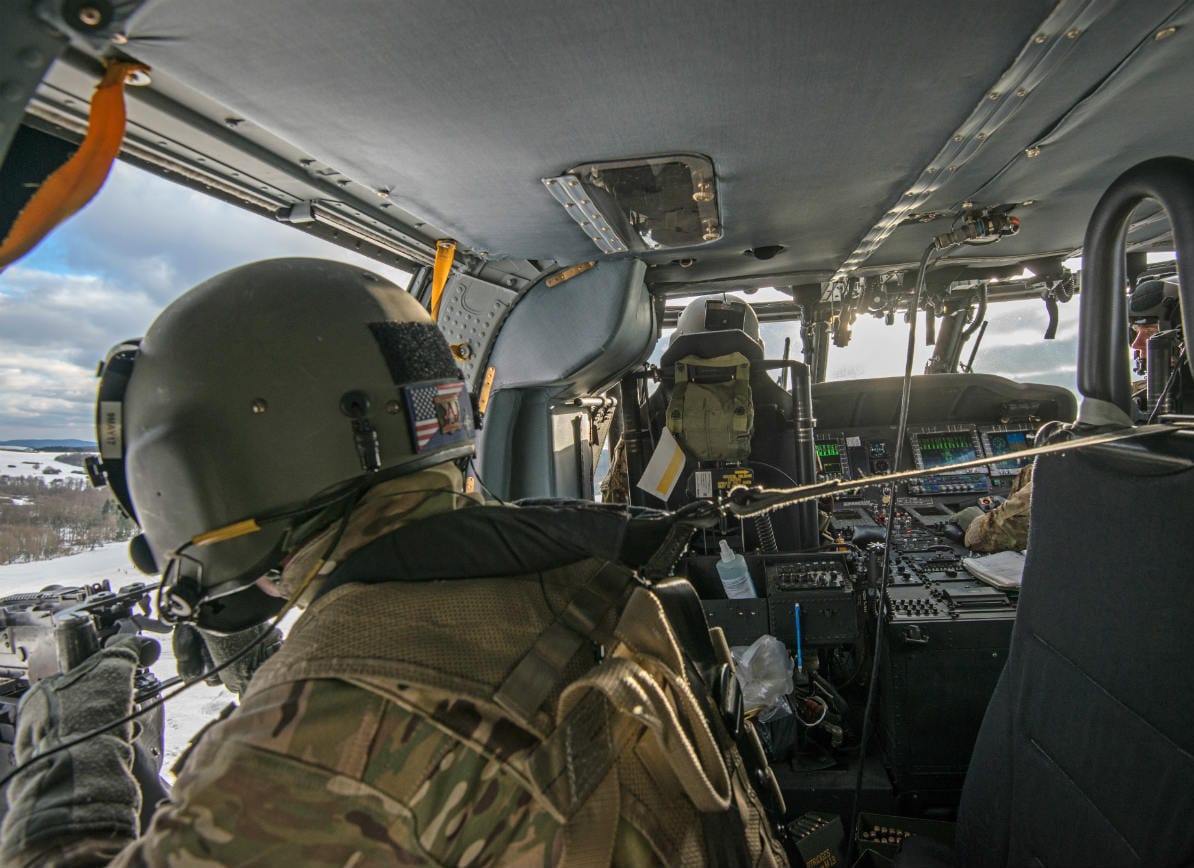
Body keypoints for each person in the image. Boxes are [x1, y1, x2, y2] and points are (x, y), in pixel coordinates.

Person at [1, 258, 785, 867]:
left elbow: (369, 752)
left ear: (212, 469)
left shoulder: (313, 746)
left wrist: (66, 750)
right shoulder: (560, 567)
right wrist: (278, 681)